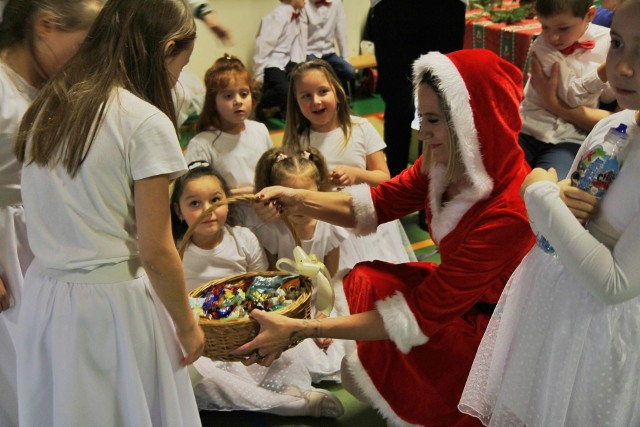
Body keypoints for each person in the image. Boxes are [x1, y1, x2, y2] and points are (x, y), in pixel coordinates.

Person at [235, 49, 535, 427]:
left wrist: (302, 328)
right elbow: (376, 203)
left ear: (472, 123)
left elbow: (423, 313)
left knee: (379, 339)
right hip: (461, 304)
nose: (421, 132)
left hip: (497, 329)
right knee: (367, 282)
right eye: (420, 116)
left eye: (433, 120)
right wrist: (299, 198)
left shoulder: (509, 211)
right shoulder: (443, 162)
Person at [13, 0, 205, 425]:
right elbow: (155, 251)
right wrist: (188, 325)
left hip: (44, 297)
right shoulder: (142, 121)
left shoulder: (50, 105)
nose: (176, 80)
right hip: (110, 308)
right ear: (167, 47)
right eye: (181, 65)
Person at [459, 2, 640, 425]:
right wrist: (555, 196)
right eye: (618, 44)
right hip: (556, 311)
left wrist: (539, 193)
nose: (624, 68)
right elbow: (555, 226)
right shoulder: (613, 126)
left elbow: (616, 284)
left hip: (601, 334)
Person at [171, 163, 344, 418]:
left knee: (284, 353)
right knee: (197, 377)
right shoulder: (175, 250)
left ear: (228, 202)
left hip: (248, 328)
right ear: (178, 211)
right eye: (195, 203)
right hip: (204, 338)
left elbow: (262, 288)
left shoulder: (243, 239)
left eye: (216, 200)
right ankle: (290, 404)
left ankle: (293, 390)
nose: (208, 210)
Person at [0, 0, 104, 425]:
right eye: (82, 44)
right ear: (45, 26)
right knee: (19, 371)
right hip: (8, 244)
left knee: (57, 368)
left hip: (49, 239)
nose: (86, 59)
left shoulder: (52, 91)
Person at [282, 59, 415, 270]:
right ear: (296, 102)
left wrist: (356, 174)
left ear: (337, 91)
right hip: (324, 221)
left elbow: (384, 177)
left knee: (375, 278)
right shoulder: (297, 140)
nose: (316, 101)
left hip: (364, 221)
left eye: (323, 91)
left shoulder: (360, 128)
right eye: (306, 96)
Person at [254, 147, 349, 383]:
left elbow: (330, 277)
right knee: (297, 357)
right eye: (289, 197)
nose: (298, 206)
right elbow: (272, 281)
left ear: (320, 191)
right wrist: (296, 318)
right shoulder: (272, 231)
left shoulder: (330, 226)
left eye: (305, 197)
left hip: (321, 300)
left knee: (342, 349)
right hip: (288, 305)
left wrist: (323, 316)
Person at [368, 0, 466, 177]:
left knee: (441, 101)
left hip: (446, 8)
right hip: (393, 8)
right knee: (398, 105)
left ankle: (435, 187)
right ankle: (396, 189)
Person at [518, 0, 612, 179]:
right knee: (502, 179)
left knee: (553, 189)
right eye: (545, 27)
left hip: (571, 138)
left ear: (590, 15)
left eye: (563, 29)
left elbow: (608, 98)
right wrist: (604, 72)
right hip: (529, 130)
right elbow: (570, 97)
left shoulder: (607, 41)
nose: (552, 37)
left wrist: (616, 76)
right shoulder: (542, 46)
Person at [185, 54, 273, 198]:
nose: (238, 101)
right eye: (228, 96)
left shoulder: (260, 130)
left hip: (266, 215)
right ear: (213, 101)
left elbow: (272, 176)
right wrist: (231, 195)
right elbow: (196, 194)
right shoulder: (201, 145)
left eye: (244, 94)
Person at [252, 0, 306, 119]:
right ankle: (256, 103)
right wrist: (258, 74)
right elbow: (263, 45)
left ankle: (286, 112)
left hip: (285, 61)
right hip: (272, 62)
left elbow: (296, 46)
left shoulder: (296, 15)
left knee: (302, 81)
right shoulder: (278, 15)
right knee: (286, 92)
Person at [303, 0, 354, 95]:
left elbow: (341, 32)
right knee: (315, 75)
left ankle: (337, 96)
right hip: (309, 52)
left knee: (348, 71)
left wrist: (345, 57)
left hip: (329, 52)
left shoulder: (336, 3)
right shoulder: (305, 4)